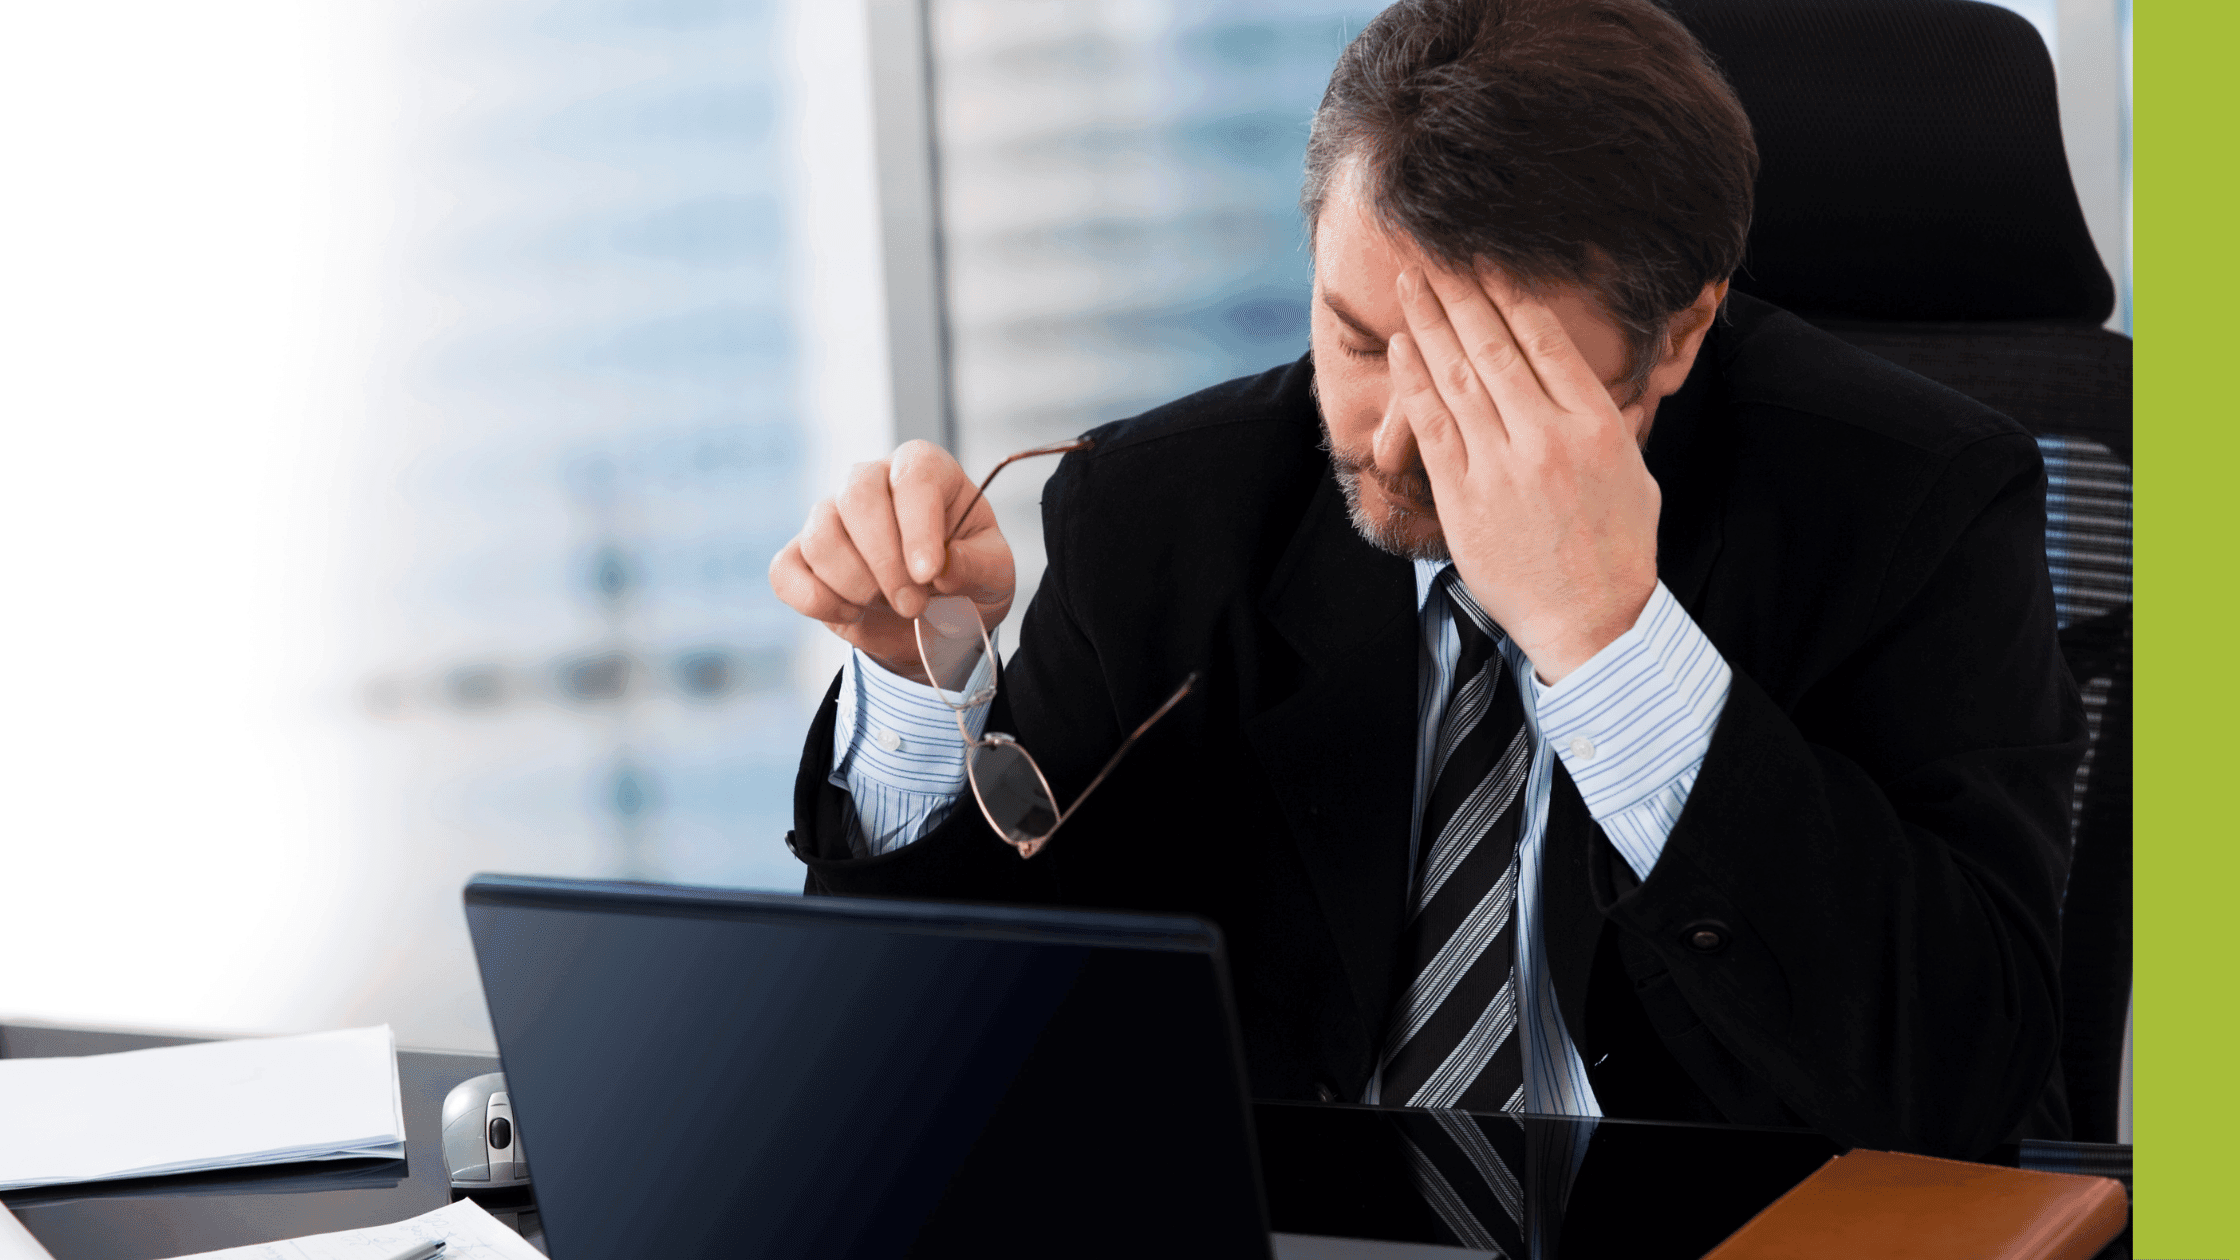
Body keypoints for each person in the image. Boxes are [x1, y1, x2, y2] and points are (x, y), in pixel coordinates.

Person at [768, 0, 2083, 1160]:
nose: (1396, 436)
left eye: (1491, 377)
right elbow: (937, 1056)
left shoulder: (1919, 501)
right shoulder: (1168, 508)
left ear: (1680, 332)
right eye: (1359, 340)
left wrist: (1610, 643)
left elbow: (1961, 1081)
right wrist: (907, 684)